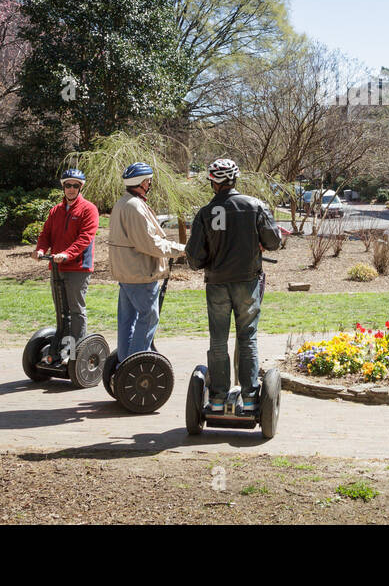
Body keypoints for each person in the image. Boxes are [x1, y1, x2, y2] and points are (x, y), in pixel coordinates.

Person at [185, 157, 284, 413]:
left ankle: (217, 398)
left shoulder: (205, 213)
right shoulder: (255, 206)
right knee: (247, 337)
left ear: (212, 183)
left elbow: (194, 259)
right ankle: (250, 397)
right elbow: (274, 242)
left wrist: (210, 257)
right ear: (235, 179)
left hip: (217, 283)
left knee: (218, 339)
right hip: (247, 282)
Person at [109, 162, 185, 361]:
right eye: (148, 180)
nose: (150, 184)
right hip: (140, 274)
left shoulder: (123, 202)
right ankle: (135, 365)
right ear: (142, 182)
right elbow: (149, 244)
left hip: (126, 273)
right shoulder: (134, 206)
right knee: (149, 318)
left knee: (127, 321)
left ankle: (123, 363)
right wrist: (181, 250)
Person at [34, 167, 99, 361]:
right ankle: (62, 348)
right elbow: (46, 234)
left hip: (78, 267)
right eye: (68, 185)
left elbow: (85, 237)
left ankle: (77, 352)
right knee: (61, 310)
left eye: (75, 186)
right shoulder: (56, 210)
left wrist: (67, 254)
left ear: (80, 188)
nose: (71, 189)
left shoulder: (89, 209)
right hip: (57, 266)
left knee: (76, 310)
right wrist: (40, 249)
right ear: (63, 187)